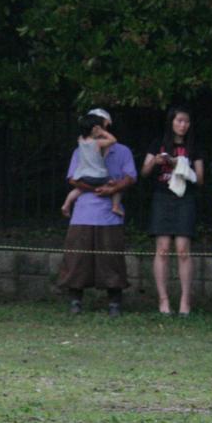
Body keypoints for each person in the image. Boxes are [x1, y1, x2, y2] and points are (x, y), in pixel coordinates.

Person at [57, 107, 137, 316]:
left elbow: (130, 176)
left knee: (111, 259)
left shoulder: (122, 150)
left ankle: (115, 302)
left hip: (110, 215)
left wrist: (113, 188)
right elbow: (72, 178)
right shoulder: (81, 149)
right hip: (83, 212)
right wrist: (95, 189)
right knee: (77, 258)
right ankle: (75, 299)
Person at [142, 106, 204, 315]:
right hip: (162, 197)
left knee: (183, 250)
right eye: (179, 121)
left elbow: (201, 178)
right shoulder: (158, 143)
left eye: (186, 121)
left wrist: (183, 165)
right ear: (171, 122)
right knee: (162, 249)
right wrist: (156, 161)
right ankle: (163, 300)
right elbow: (144, 171)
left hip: (185, 198)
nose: (183, 125)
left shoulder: (193, 145)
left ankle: (185, 301)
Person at [61, 114, 120, 218]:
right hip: (99, 176)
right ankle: (115, 206)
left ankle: (66, 204)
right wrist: (103, 132)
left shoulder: (80, 141)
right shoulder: (97, 143)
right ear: (95, 129)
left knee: (79, 189)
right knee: (115, 185)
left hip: (84, 176)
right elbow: (113, 140)